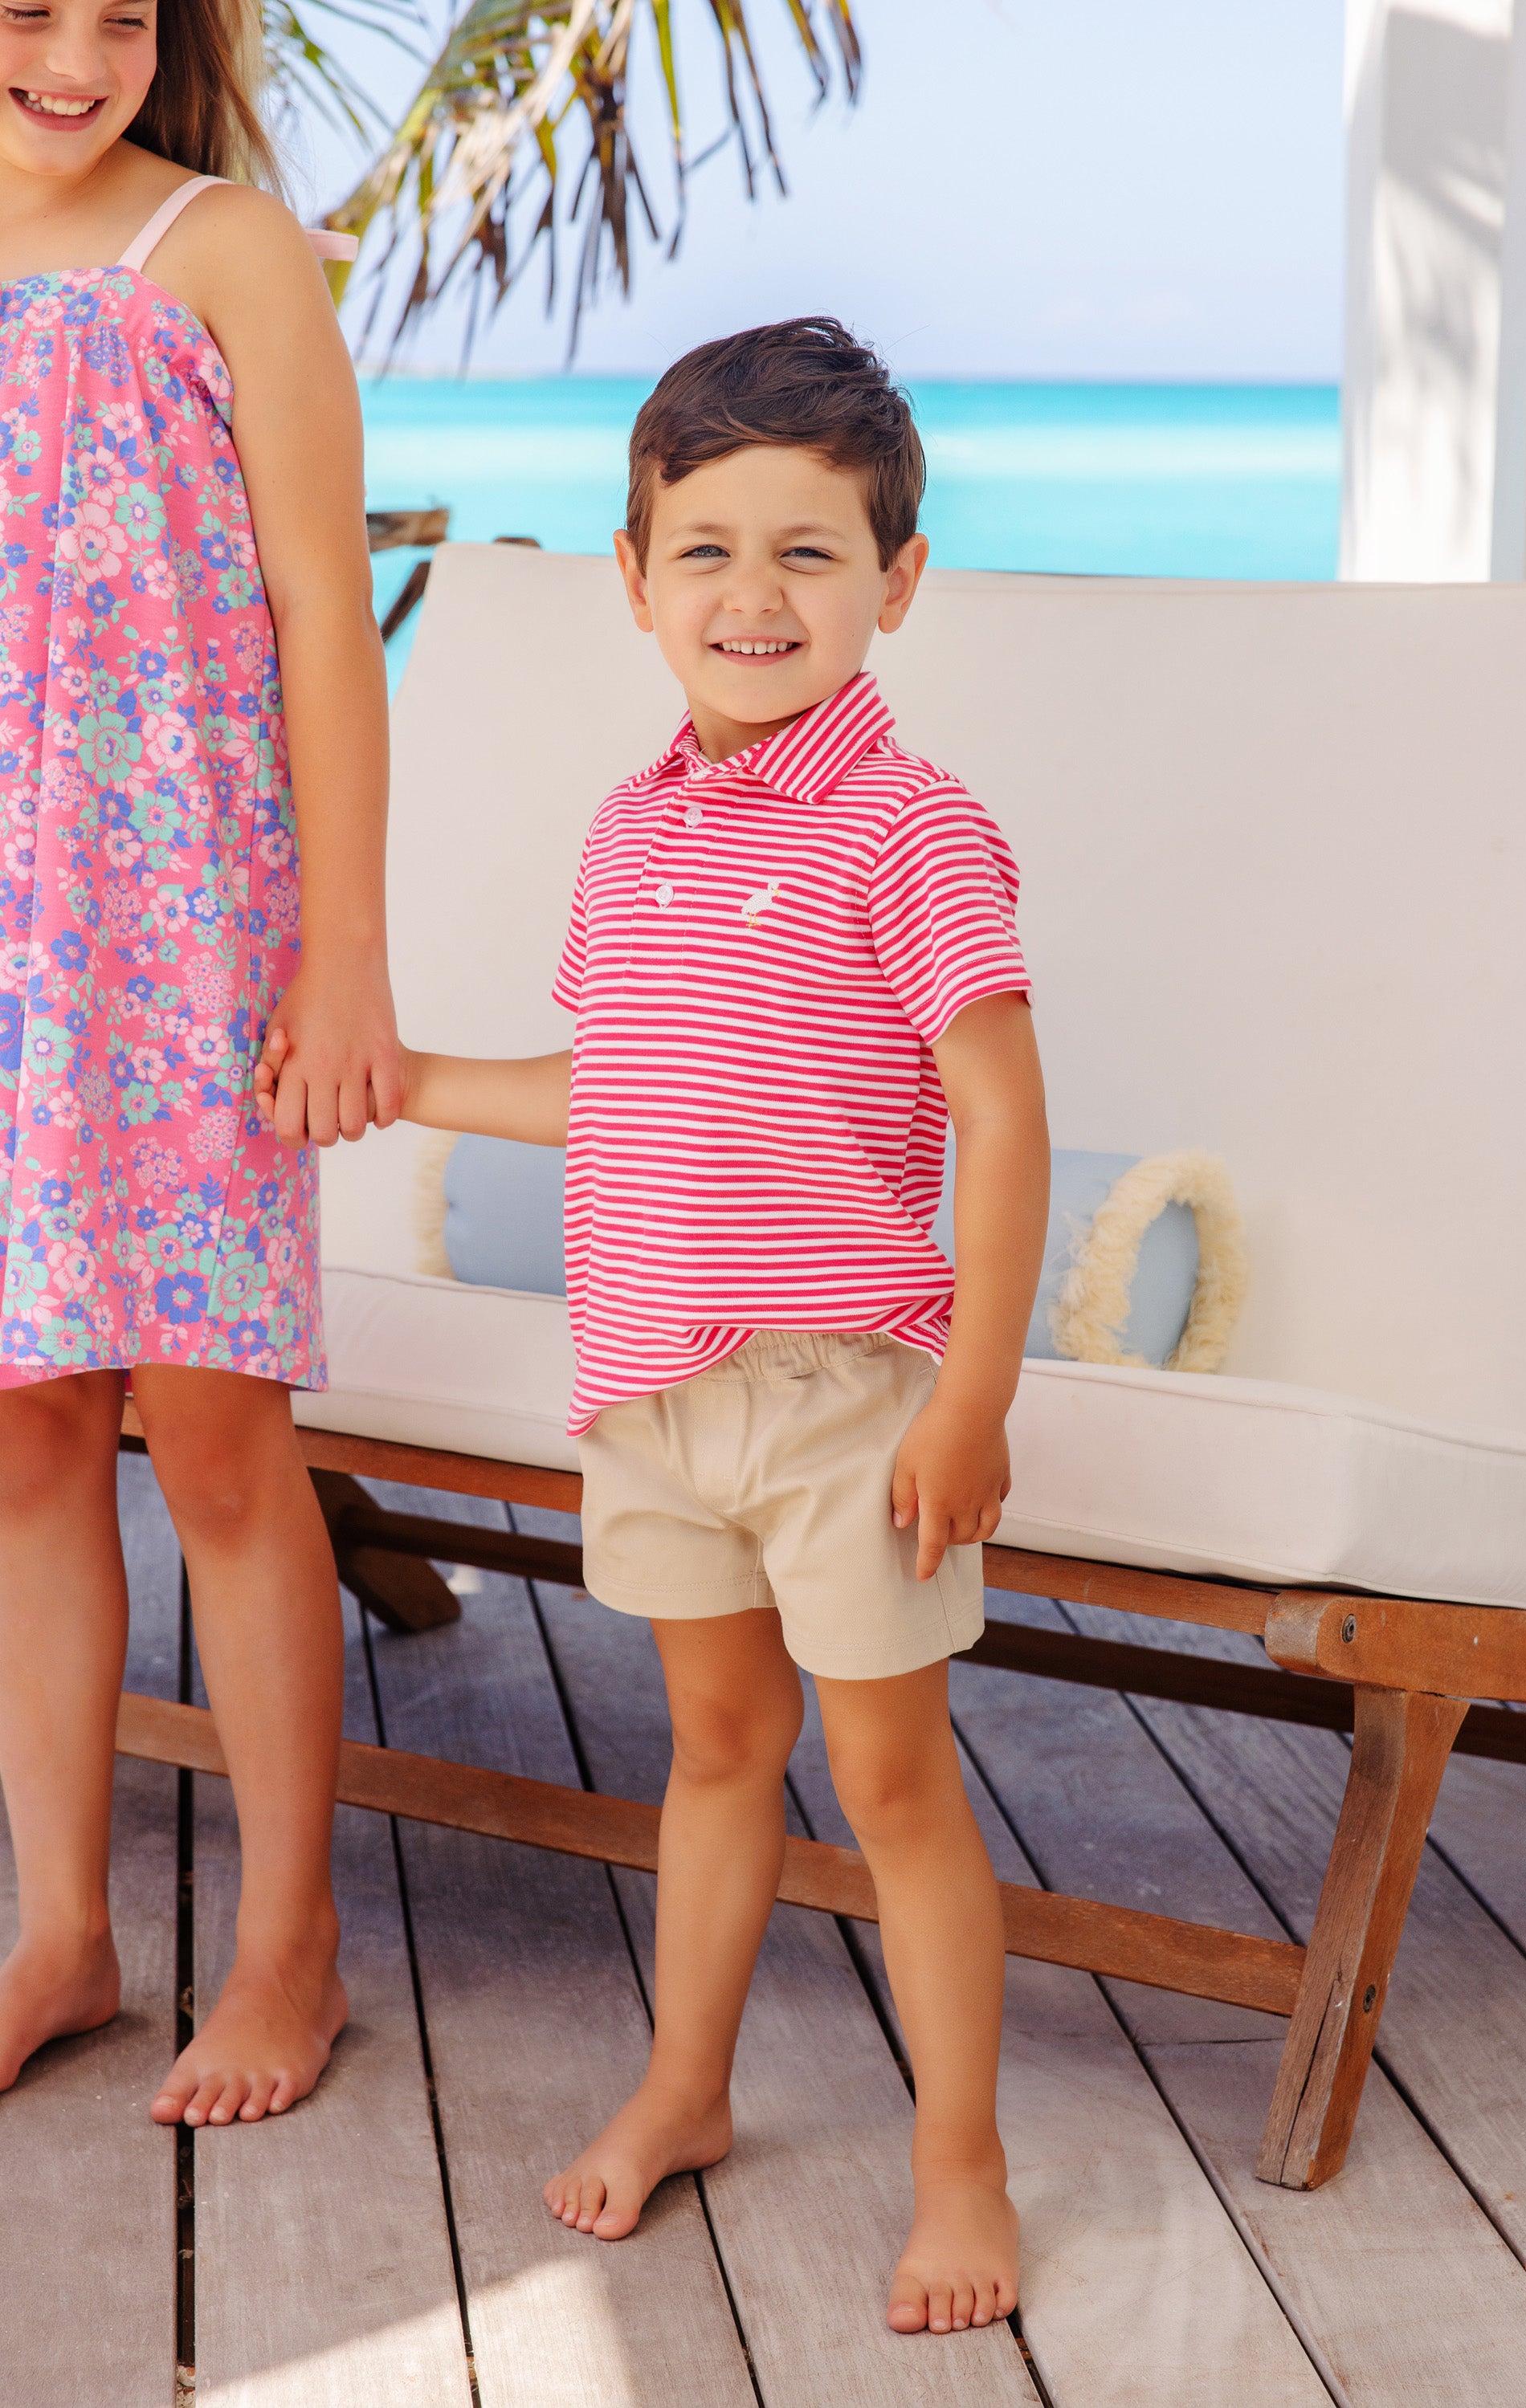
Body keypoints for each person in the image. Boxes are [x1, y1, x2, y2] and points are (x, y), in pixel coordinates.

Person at [263, 317, 1050, 2333]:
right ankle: (686, 2087)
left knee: (892, 1791)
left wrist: (969, 1403)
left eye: (807, 552)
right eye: (704, 549)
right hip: (649, 1385)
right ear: (633, 580)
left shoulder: (912, 825)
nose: (751, 595)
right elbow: (613, 1086)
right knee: (711, 1750)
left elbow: (1000, 1117)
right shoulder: (632, 829)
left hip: (843, 1396)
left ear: (896, 581)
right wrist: (395, 1075)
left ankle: (958, 2167)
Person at [0, 0, 398, 2126]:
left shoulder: (224, 249)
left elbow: (326, 610)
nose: (76, 59)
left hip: (177, 930)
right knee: (24, 1436)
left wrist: (344, 959)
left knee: (222, 1439)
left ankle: (286, 1946)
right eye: (29, 11)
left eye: (119, 15)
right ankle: (62, 1934)